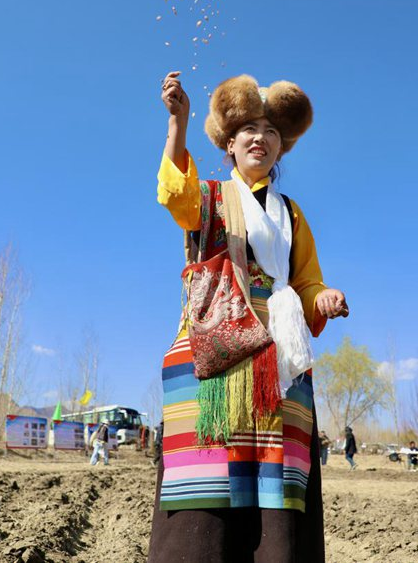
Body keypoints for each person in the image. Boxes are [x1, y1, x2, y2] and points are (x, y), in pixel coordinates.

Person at [149, 72, 349, 562]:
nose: (261, 138)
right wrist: (178, 123)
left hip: (280, 355)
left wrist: (323, 297)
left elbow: (305, 282)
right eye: (250, 131)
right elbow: (175, 195)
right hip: (216, 351)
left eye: (272, 132)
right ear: (230, 145)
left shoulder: (293, 214)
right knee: (209, 472)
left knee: (276, 480)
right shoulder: (211, 196)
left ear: (282, 148)